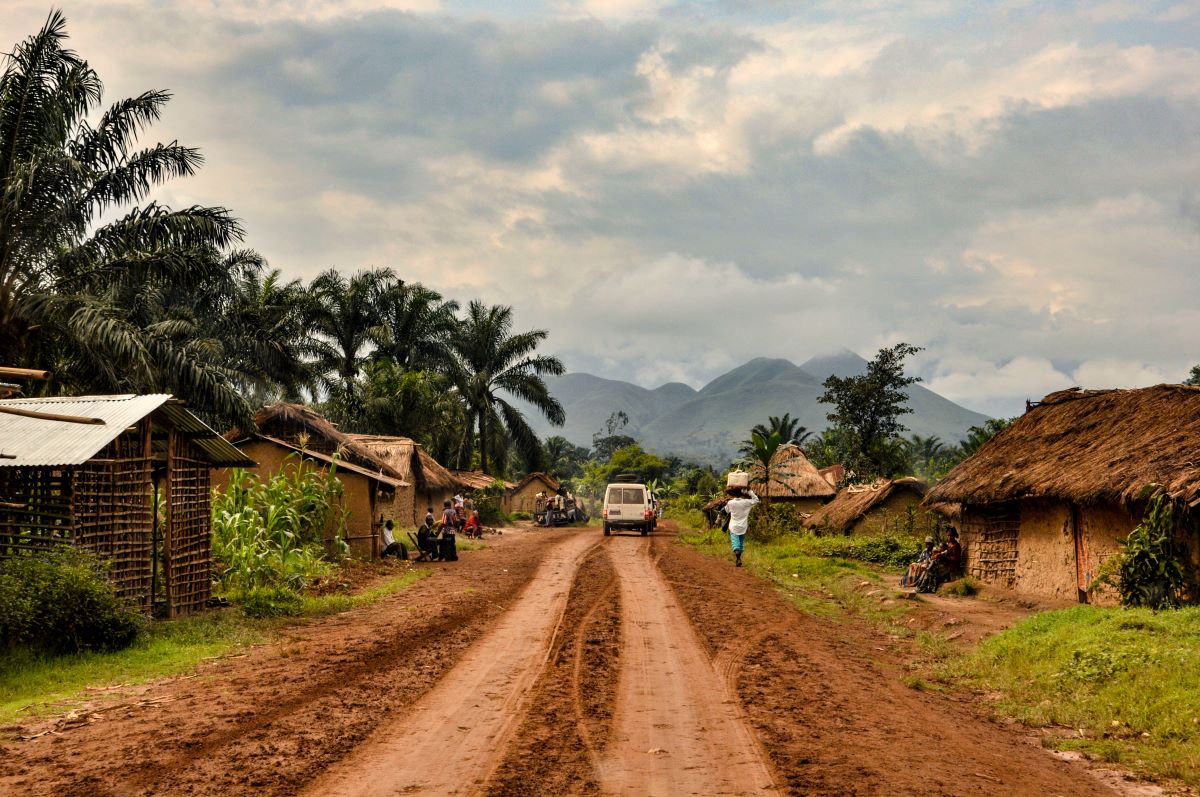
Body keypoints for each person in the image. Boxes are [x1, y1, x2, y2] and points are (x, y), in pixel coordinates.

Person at [722, 486, 759, 567]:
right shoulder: (746, 502)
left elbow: (726, 510)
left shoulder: (730, 503)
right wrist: (749, 491)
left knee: (736, 544)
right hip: (743, 526)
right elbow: (756, 500)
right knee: (741, 543)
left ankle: (738, 558)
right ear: (742, 493)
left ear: (733, 494)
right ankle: (738, 558)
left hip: (733, 526)